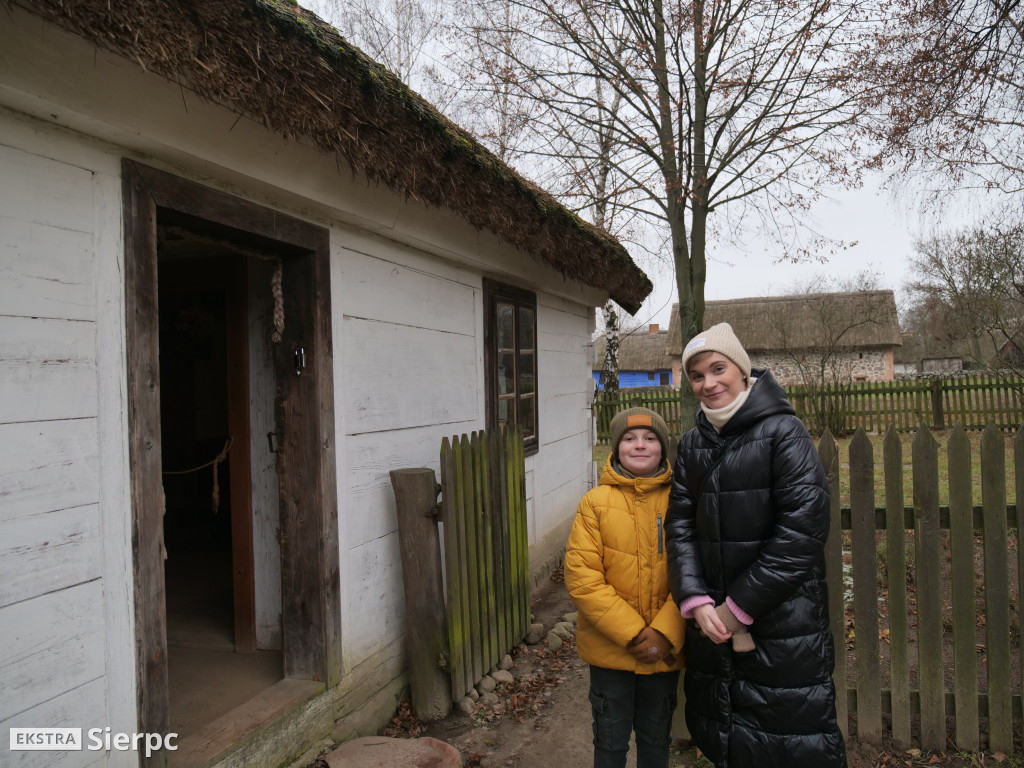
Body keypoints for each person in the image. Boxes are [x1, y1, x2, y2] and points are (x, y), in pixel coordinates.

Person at [665, 323, 846, 768]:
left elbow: (801, 533)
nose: (708, 384)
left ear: (742, 370)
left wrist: (738, 606)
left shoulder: (785, 433)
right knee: (726, 738)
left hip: (784, 625)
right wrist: (694, 597)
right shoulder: (692, 445)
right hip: (711, 626)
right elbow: (680, 526)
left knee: (787, 742)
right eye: (697, 376)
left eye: (718, 368)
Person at [565, 407, 686, 768]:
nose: (640, 445)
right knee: (610, 740)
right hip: (610, 652)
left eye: (650, 439)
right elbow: (583, 577)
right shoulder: (594, 504)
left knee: (655, 738)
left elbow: (694, 573)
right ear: (615, 448)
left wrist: (665, 632)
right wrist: (634, 634)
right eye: (629, 439)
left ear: (663, 449)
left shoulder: (682, 502)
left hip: (664, 653)